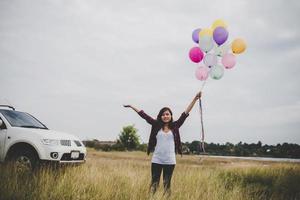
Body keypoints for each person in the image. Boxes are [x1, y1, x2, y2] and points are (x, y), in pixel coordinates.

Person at [123, 91, 202, 196]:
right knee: (154, 184)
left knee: (167, 185)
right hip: (157, 159)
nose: (165, 116)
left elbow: (185, 113)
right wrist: (132, 106)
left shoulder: (175, 126)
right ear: (160, 116)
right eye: (163, 114)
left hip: (170, 161)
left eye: (167, 114)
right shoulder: (156, 125)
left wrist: (195, 99)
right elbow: (144, 115)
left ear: (170, 116)